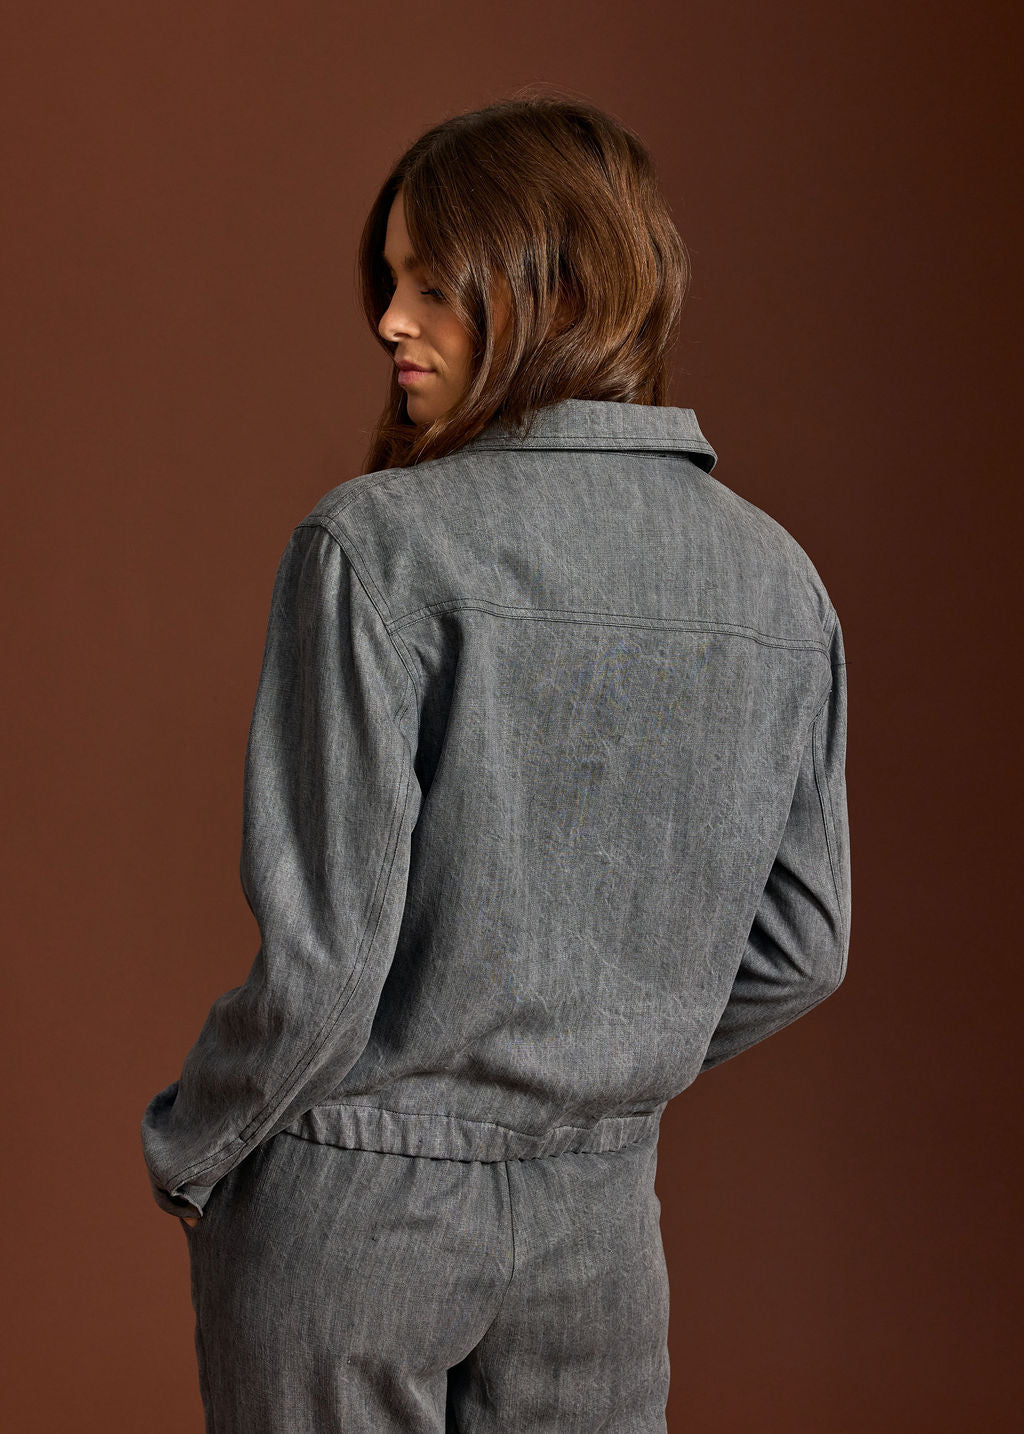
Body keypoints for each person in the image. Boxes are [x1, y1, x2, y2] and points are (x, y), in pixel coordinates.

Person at [141, 90, 851, 1433]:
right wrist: (599, 1062)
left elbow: (327, 964)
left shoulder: (376, 544)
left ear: (559, 287)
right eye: (390, 281)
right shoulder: (779, 579)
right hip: (600, 1225)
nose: (388, 320)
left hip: (355, 1203)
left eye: (432, 283)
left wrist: (196, 1140)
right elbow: (805, 948)